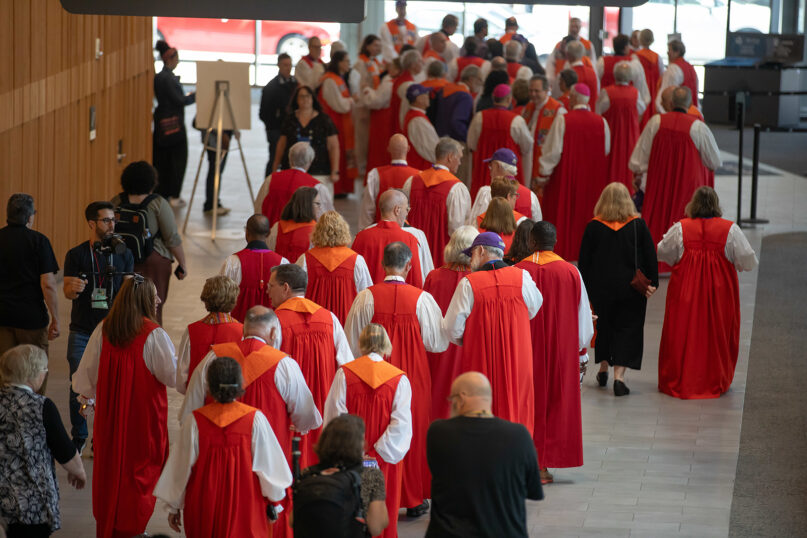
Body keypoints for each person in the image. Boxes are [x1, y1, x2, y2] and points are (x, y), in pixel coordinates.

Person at [344, 242, 447, 517]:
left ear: (381, 264)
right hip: (413, 376)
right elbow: (437, 343)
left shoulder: (366, 297)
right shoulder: (422, 299)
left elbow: (352, 342)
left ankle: (374, 498)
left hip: (371, 377)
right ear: (409, 266)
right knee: (410, 430)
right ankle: (413, 498)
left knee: (373, 431)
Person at [72, 276, 177, 537]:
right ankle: (132, 528)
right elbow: (173, 377)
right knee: (139, 477)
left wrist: (89, 402)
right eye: (154, 296)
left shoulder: (104, 329)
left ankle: (115, 526)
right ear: (143, 300)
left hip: (110, 420)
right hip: (143, 422)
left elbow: (85, 377)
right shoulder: (154, 335)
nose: (159, 300)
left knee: (111, 475)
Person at [154, 356, 293, 538]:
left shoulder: (195, 422)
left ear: (209, 385)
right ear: (239, 384)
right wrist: (274, 502)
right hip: (245, 507)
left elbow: (181, 469)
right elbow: (268, 468)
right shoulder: (255, 420)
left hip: (205, 505)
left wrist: (174, 506)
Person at [656, 186, 757, 399]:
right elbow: (748, 260)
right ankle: (715, 378)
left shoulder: (680, 228)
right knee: (716, 334)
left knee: (682, 333)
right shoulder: (730, 230)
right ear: (716, 205)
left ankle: (682, 378)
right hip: (720, 294)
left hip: (685, 291)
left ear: (693, 204)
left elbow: (662, 252)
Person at [516, 221, 594, 483]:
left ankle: (522, 461)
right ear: (555, 242)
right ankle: (543, 465)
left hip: (524, 347)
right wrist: (580, 351)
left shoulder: (518, 270)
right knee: (553, 402)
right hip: (559, 350)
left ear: (531, 242)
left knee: (525, 403)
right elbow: (584, 321)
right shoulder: (571, 272)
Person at [443, 232, 542, 433]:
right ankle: (515, 452)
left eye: (471, 254)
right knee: (517, 403)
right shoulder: (522, 277)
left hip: (481, 356)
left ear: (480, 251)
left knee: (480, 407)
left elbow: (451, 327)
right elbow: (534, 307)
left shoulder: (469, 284)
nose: (470, 260)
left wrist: (471, 338)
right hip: (517, 355)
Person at [426, 372, 543, 537]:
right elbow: (533, 491)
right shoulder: (519, 435)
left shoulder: (438, 432)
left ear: (462, 397)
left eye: (452, 399)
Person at [324, 324, 413, 538]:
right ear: (386, 346)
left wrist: (355, 454)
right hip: (383, 461)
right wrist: (376, 455)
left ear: (361, 345)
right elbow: (401, 424)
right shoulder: (399, 379)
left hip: (351, 458)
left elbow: (335, 418)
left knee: (352, 515)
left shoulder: (345, 374)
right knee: (381, 516)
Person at [62, 201, 134, 450]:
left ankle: (100, 438)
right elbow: (68, 292)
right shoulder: (77, 254)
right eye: (106, 220)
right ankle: (79, 437)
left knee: (109, 386)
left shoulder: (123, 252)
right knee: (77, 383)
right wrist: (73, 289)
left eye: (113, 219)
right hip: (82, 328)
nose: (112, 224)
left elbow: (128, 292)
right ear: (92, 223)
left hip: (112, 330)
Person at [267, 263, 353, 466]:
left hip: (288, 407)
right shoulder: (330, 318)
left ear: (285, 287)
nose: (267, 291)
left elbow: (268, 366)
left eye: (271, 286)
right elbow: (348, 366)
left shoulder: (275, 322)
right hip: (324, 402)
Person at [578, 183, 658, 396]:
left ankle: (603, 368)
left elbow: (584, 262)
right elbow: (651, 257)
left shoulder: (593, 226)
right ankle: (619, 377)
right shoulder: (637, 225)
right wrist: (653, 284)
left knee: (605, 327)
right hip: (631, 289)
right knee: (627, 329)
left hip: (600, 289)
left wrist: (584, 292)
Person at [0, 345, 86, 538]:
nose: (45, 375)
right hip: (32, 506)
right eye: (44, 370)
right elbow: (64, 449)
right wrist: (78, 471)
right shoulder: (41, 406)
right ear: (31, 373)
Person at [629, 86, 721, 249]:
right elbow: (714, 162)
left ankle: (656, 256)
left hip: (659, 184)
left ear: (670, 103)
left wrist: (638, 174)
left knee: (659, 218)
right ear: (691, 103)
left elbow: (638, 160)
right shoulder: (698, 127)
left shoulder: (655, 122)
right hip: (687, 188)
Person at [537, 83, 610, 261]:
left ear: (575, 98)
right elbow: (606, 149)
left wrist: (542, 174)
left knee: (565, 214)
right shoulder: (602, 122)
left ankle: (563, 253)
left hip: (566, 176)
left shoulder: (564, 119)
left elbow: (553, 151)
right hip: (593, 177)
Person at [112, 161, 188, 324]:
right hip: (154, 260)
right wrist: (183, 264)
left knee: (124, 306)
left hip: (122, 259)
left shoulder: (117, 201)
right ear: (152, 182)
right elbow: (172, 237)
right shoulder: (157, 203)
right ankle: (153, 343)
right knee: (153, 307)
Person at [298, 414, 389, 537]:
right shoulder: (370, 475)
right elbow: (376, 527)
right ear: (358, 445)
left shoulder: (308, 473)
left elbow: (293, 521)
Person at [423, 226, 478, 421]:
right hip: (467, 347)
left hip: (439, 347)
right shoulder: (478, 280)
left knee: (438, 394)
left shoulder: (433, 276)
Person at [0, 194, 59, 361]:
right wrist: (55, 319)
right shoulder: (39, 241)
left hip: (2, 315)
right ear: (30, 216)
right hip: (31, 317)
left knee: (5, 368)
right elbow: (48, 284)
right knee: (35, 367)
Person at [403, 137, 472, 268]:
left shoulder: (412, 182)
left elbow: (404, 219)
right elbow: (457, 231)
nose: (460, 162)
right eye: (459, 158)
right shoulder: (456, 188)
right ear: (451, 157)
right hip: (441, 258)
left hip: (412, 254)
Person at [296, 211, 372, 324]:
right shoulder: (356, 260)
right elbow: (366, 296)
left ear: (317, 232)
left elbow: (296, 293)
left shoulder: (305, 259)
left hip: (314, 321)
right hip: (346, 322)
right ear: (344, 231)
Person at [175, 275, 243, 394]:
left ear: (205, 299)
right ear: (234, 299)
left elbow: (182, 376)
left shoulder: (192, 330)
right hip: (229, 398)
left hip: (198, 397)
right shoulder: (242, 331)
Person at [354, 189, 432, 288]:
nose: (407, 214)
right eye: (406, 209)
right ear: (397, 210)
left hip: (368, 301)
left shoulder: (361, 237)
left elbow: (354, 276)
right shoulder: (410, 239)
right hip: (399, 300)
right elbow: (415, 280)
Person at [468, 84, 533, 197]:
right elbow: (527, 146)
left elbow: (471, 144)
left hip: (485, 170)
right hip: (507, 172)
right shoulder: (516, 121)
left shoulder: (480, 117)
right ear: (509, 99)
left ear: (493, 98)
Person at [222, 214, 289, 322]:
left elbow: (222, 298)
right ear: (268, 233)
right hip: (270, 329)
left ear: (246, 232)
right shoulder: (283, 263)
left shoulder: (233, 261)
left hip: (239, 329)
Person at [152, 40, 195, 207]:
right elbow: (179, 100)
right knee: (177, 162)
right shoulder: (167, 78)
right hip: (174, 127)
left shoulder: (159, 77)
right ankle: (173, 194)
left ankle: (164, 193)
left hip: (162, 125)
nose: (178, 61)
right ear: (170, 59)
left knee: (163, 161)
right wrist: (194, 96)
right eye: (177, 58)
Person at [273, 86, 340, 184]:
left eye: (307, 96)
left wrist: (335, 171)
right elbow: (281, 145)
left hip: (319, 171)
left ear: (313, 98)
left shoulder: (324, 120)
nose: (305, 99)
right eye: (301, 96)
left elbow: (333, 146)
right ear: (296, 100)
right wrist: (275, 167)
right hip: (292, 171)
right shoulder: (290, 119)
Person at [256, 141, 334, 225]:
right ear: (310, 161)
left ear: (290, 158)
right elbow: (327, 219)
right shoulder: (317, 186)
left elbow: (259, 206)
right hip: (303, 235)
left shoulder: (271, 179)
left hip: (271, 234)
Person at [597, 61, 645, 192]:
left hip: (612, 135)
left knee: (611, 164)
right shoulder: (635, 93)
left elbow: (599, 112)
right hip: (630, 135)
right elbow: (641, 109)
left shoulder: (607, 92)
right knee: (628, 164)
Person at [359, 134, 422, 230]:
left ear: (388, 149)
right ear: (408, 149)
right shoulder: (419, 176)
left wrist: (363, 232)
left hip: (382, 232)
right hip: (409, 232)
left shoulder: (375, 174)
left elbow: (367, 210)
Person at [319, 50, 358, 196]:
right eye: (347, 61)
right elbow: (338, 104)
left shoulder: (338, 78)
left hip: (343, 122)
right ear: (339, 62)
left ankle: (343, 188)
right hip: (334, 122)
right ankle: (337, 188)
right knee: (336, 154)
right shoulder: (329, 80)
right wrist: (352, 100)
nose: (349, 64)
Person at [469, 149, 542, 222]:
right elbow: (537, 227)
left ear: (497, 166)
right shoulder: (531, 196)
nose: (490, 172)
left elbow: (475, 225)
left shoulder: (487, 192)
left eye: (491, 166)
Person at [522, 75, 566, 189]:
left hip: (544, 166)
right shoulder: (528, 107)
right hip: (528, 162)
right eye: (530, 91)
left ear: (547, 90)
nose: (533, 94)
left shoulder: (558, 111)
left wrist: (546, 169)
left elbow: (557, 144)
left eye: (537, 91)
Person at [260, 52, 298, 177]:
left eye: (290, 65)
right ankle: (269, 185)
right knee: (274, 159)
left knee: (289, 160)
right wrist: (274, 127)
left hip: (291, 129)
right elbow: (263, 113)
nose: (288, 68)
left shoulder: (296, 84)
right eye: (285, 65)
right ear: (279, 66)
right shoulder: (271, 88)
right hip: (276, 130)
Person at [354, 35, 384, 178]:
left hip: (373, 104)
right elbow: (359, 85)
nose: (378, 48)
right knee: (362, 139)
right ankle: (360, 168)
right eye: (375, 45)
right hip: (363, 106)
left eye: (379, 45)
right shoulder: (361, 63)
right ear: (367, 46)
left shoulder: (376, 62)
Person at [268, 187, 321, 263]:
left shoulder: (276, 228)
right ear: (307, 205)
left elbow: (270, 253)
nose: (319, 208)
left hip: (279, 272)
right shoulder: (317, 231)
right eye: (317, 204)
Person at [595, 34, 650, 107]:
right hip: (628, 105)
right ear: (625, 47)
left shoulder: (602, 62)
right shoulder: (634, 64)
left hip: (607, 105)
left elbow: (596, 83)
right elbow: (641, 88)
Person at [656, 39, 699, 113]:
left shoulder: (673, 68)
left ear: (677, 52)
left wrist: (660, 109)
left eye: (670, 50)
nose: (667, 53)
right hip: (691, 109)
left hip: (678, 111)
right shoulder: (690, 67)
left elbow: (667, 92)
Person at [403, 84, 440, 169]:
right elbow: (428, 148)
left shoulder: (414, 115)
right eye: (426, 94)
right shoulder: (418, 120)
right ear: (418, 99)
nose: (428, 96)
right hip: (421, 168)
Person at [633, 29, 665, 126]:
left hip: (640, 91)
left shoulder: (636, 56)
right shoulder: (657, 57)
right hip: (654, 92)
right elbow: (661, 76)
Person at [392, 50, 425, 134]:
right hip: (402, 125)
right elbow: (405, 109)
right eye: (420, 61)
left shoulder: (403, 79)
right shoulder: (407, 84)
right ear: (413, 64)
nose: (423, 63)